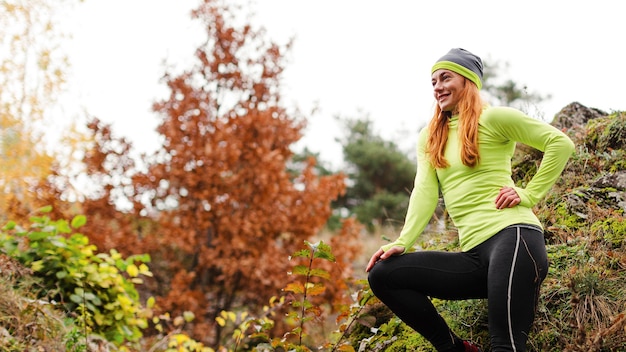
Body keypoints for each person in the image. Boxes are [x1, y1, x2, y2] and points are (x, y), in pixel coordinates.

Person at [365, 48, 575, 352]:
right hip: (475, 257)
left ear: (468, 81)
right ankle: (454, 348)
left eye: (445, 77)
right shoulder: (430, 136)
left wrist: (529, 193)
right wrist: (403, 240)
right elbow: (425, 191)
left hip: (514, 239)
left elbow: (560, 143)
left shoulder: (495, 117)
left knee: (505, 346)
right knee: (384, 274)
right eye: (433, 81)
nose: (437, 86)